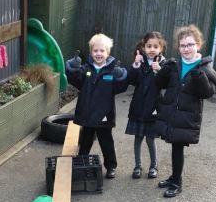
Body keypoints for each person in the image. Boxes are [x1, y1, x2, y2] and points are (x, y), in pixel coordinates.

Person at [154, 24, 216, 198]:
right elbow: (159, 84)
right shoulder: (175, 65)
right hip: (172, 114)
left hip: (186, 116)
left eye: (190, 44)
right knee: (174, 146)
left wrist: (201, 79)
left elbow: (208, 93)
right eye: (183, 45)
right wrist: (162, 71)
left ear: (198, 44)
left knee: (177, 147)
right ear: (178, 47)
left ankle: (177, 182)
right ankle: (173, 177)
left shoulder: (204, 67)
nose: (186, 48)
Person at [65, 33, 128, 179]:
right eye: (95, 51)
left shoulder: (111, 71)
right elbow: (75, 81)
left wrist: (121, 77)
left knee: (106, 142)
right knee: (85, 141)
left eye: (102, 51)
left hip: (104, 114)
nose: (98, 54)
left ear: (107, 52)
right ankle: (81, 163)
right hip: (87, 113)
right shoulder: (86, 68)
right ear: (91, 52)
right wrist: (72, 68)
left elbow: (121, 87)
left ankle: (111, 166)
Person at [126, 32, 166, 179]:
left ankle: (153, 166)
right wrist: (135, 64)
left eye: (156, 46)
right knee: (138, 138)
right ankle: (137, 166)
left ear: (161, 48)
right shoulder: (140, 62)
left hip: (153, 108)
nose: (152, 49)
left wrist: (159, 71)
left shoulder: (163, 64)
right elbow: (131, 80)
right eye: (149, 46)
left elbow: (166, 83)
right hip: (138, 106)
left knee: (150, 138)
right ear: (143, 47)